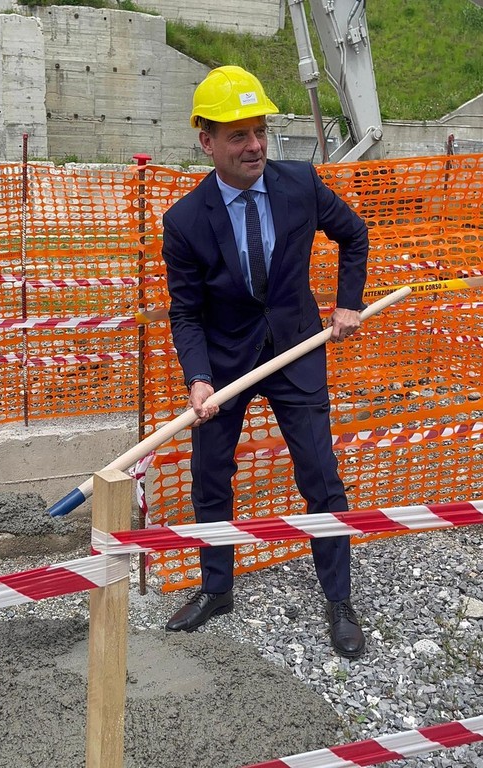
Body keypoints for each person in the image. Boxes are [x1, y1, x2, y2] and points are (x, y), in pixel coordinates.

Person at [161, 65, 368, 658]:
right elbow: (186, 313)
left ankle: (338, 599)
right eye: (238, 136)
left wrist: (348, 302)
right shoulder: (185, 220)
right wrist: (199, 379)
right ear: (206, 142)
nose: (254, 145)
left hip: (296, 348)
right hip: (225, 362)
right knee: (210, 476)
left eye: (259, 131)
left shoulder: (300, 183)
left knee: (320, 475)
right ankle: (216, 588)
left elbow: (354, 235)